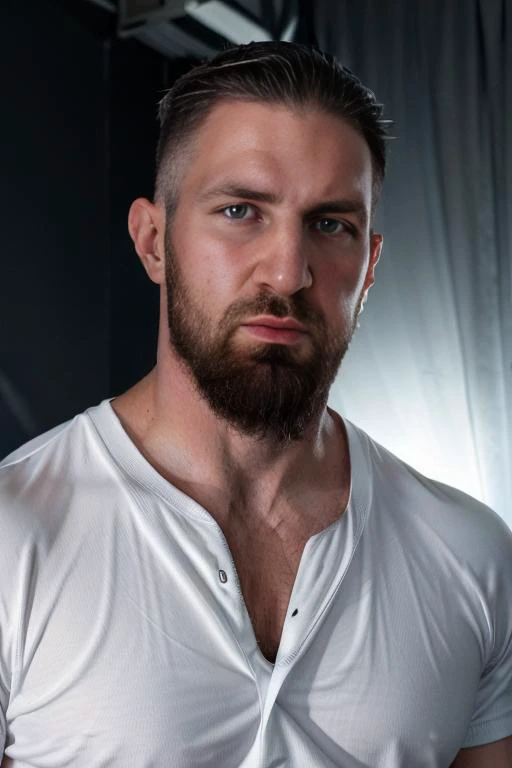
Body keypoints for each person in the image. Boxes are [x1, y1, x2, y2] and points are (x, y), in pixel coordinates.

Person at [0, 41, 511, 768]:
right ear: (153, 241)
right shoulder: (15, 537)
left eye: (331, 224)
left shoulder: (473, 557)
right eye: (241, 210)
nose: (288, 270)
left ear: (368, 265)